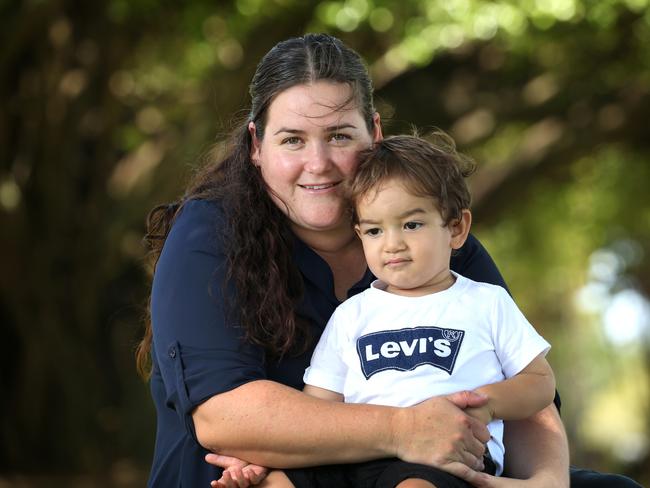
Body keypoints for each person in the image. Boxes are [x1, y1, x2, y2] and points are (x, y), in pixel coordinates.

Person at [136, 33, 642, 488]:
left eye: (339, 135)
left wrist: (547, 483)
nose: (320, 164)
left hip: (443, 472)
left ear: (373, 133)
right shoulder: (209, 233)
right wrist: (407, 430)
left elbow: (523, 384)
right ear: (256, 145)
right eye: (292, 140)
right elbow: (227, 418)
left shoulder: (427, 234)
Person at [218, 133, 556, 488]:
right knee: (277, 483)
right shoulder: (352, 315)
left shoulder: (485, 302)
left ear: (456, 229)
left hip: (445, 453)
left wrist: (487, 405)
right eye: (375, 230)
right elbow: (318, 405)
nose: (393, 244)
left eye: (411, 225)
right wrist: (263, 460)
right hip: (359, 452)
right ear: (359, 234)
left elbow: (540, 383)